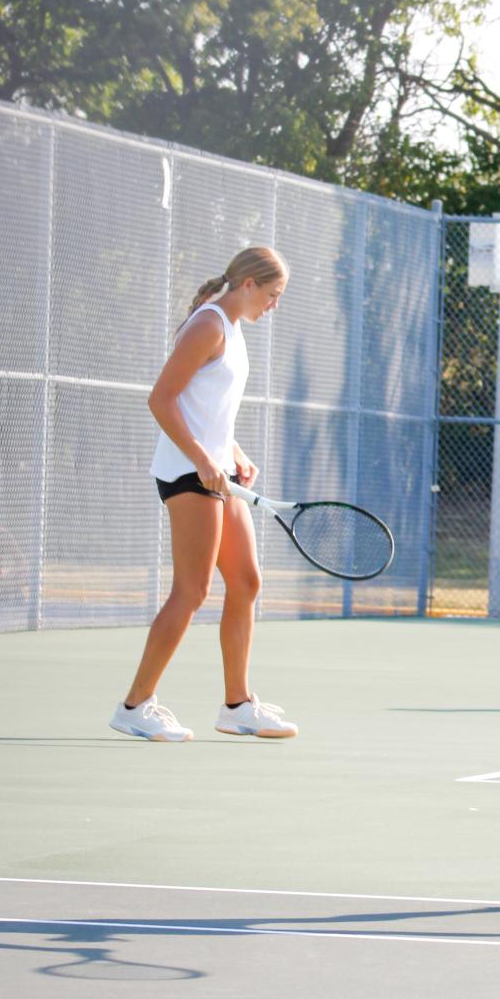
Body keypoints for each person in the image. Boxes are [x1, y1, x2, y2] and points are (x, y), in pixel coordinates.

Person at [109, 245, 298, 743]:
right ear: (248, 284)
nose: (274, 306)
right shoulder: (210, 325)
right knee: (192, 591)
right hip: (188, 474)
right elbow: (162, 398)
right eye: (272, 295)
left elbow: (205, 404)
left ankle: (237, 705)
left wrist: (233, 450)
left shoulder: (232, 331)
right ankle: (135, 705)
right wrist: (202, 459)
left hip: (217, 473)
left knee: (247, 581)